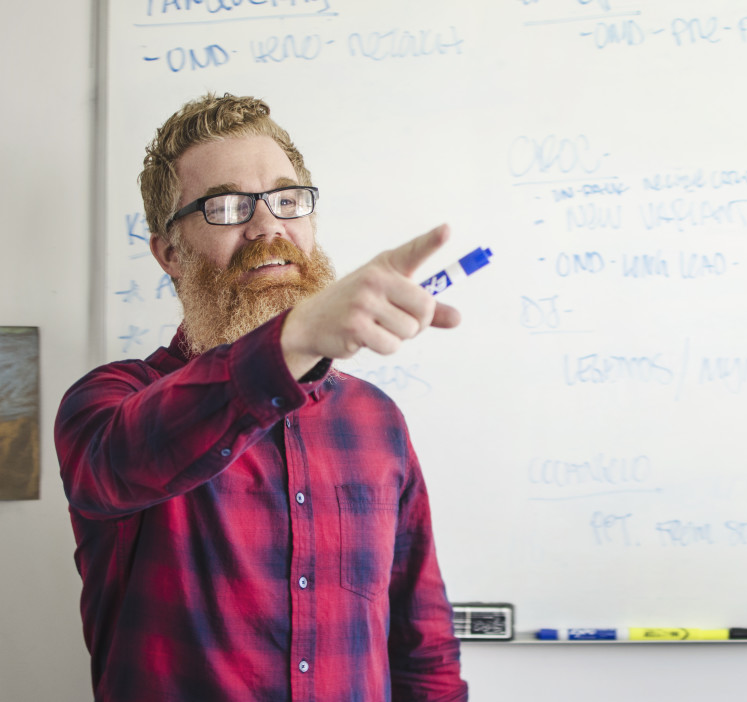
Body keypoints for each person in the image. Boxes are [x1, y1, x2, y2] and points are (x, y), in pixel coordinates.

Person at [54, 93, 469, 701]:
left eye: (287, 199)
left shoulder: (375, 420)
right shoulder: (111, 403)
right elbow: (121, 463)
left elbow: (422, 644)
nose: (269, 226)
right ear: (169, 252)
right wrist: (293, 338)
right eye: (226, 206)